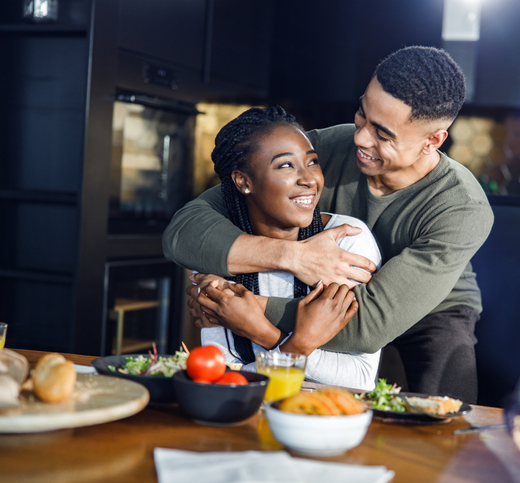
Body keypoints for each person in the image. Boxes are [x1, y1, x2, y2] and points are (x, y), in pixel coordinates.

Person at [163, 46, 494, 403]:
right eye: (362, 114)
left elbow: (367, 327)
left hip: (432, 312)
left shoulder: (463, 208)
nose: (360, 138)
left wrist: (242, 306)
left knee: (447, 420)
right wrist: (293, 257)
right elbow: (184, 231)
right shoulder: (326, 151)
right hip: (319, 297)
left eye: (382, 134)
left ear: (433, 141)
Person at [192, 106, 382, 391]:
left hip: (328, 418)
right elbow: (225, 376)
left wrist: (264, 333)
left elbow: (360, 378)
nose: (309, 179)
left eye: (312, 162)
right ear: (243, 181)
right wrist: (299, 345)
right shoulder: (222, 253)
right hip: (247, 413)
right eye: (285, 165)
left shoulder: (346, 242)